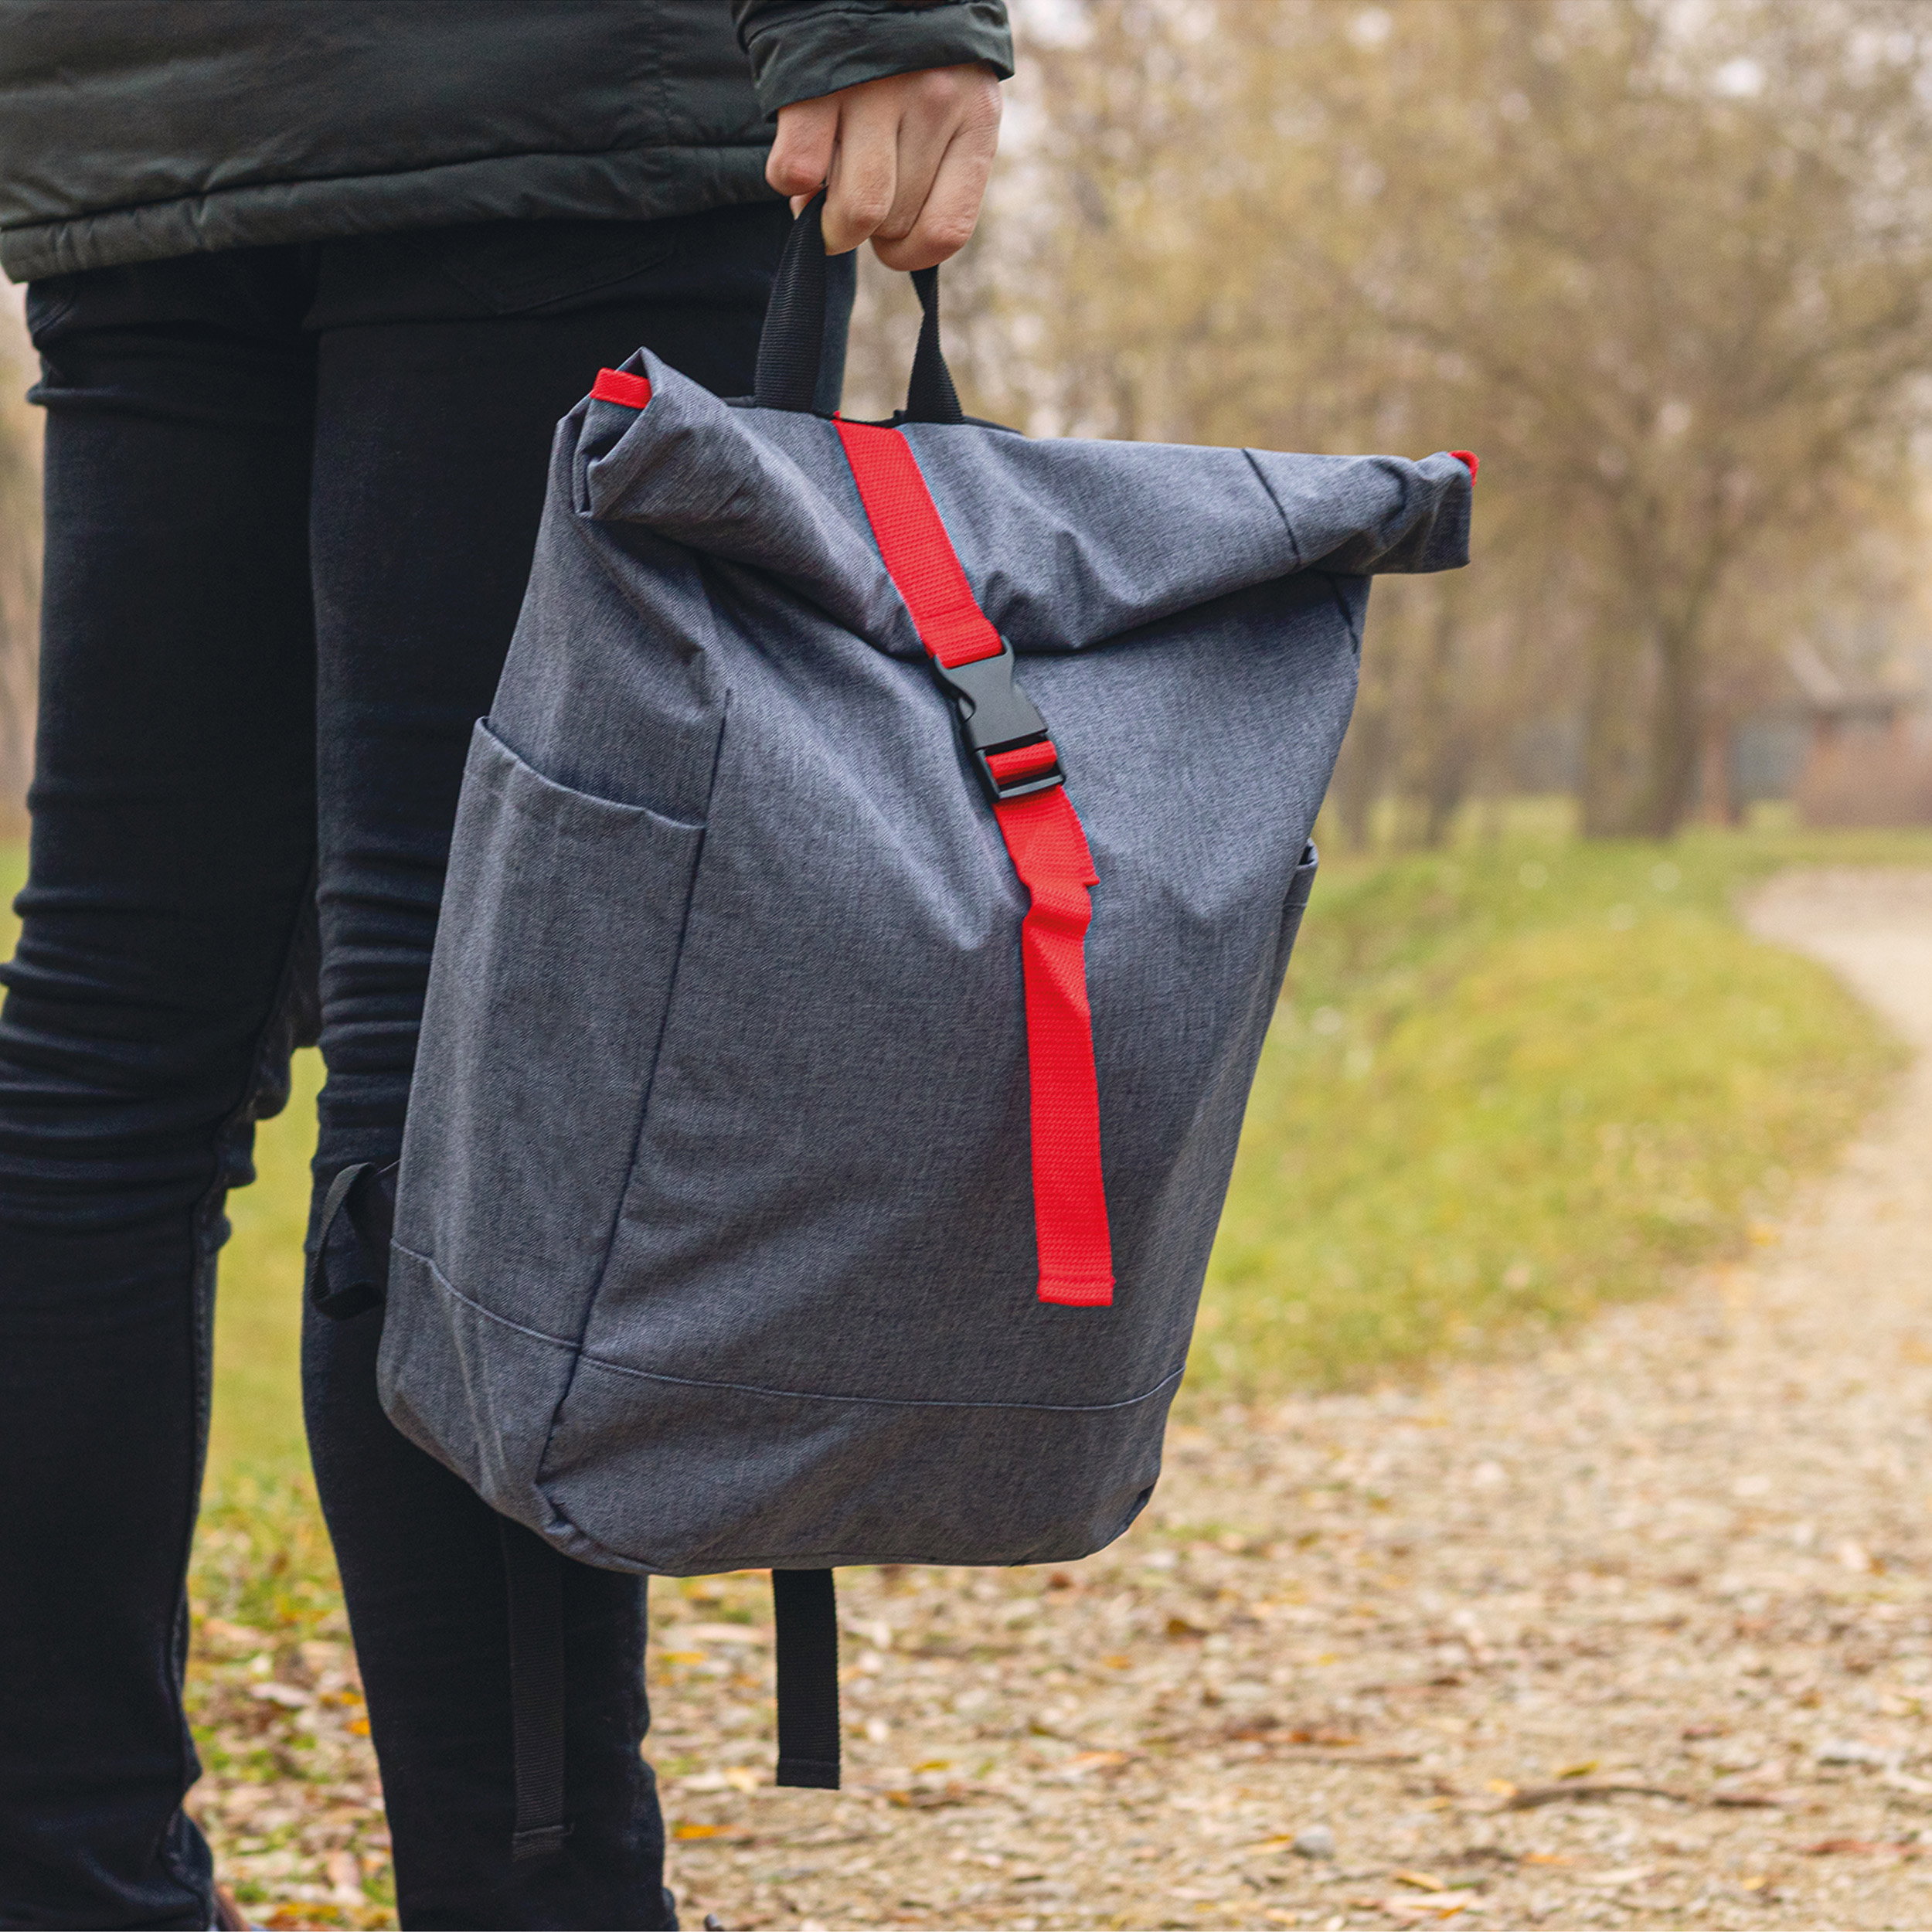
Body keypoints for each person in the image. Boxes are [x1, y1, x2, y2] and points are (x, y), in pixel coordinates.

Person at [0, 8, 1006, 1927]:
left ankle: (57, 1884)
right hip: (551, 100)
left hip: (142, 107)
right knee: (471, 1035)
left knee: (110, 1046)